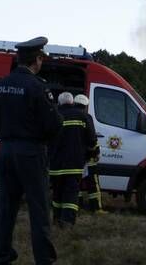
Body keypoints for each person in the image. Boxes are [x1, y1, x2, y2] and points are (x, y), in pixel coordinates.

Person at [0, 37, 63, 265]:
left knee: (5, 207)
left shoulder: (0, 85)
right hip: (31, 152)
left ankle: (2, 257)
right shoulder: (37, 87)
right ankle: (44, 260)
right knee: (39, 209)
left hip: (6, 151)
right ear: (37, 60)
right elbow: (54, 125)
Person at [48, 91, 96, 227]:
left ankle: (56, 219)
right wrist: (89, 154)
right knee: (71, 193)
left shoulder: (53, 116)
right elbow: (92, 140)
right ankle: (67, 221)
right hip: (74, 164)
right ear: (72, 102)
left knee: (57, 193)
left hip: (55, 164)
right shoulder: (83, 116)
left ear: (59, 103)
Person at [74, 94, 104, 213]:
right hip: (88, 157)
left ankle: (77, 207)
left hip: (75, 157)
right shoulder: (87, 117)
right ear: (85, 105)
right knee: (93, 184)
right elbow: (92, 137)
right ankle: (96, 208)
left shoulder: (69, 116)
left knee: (77, 184)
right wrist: (96, 152)